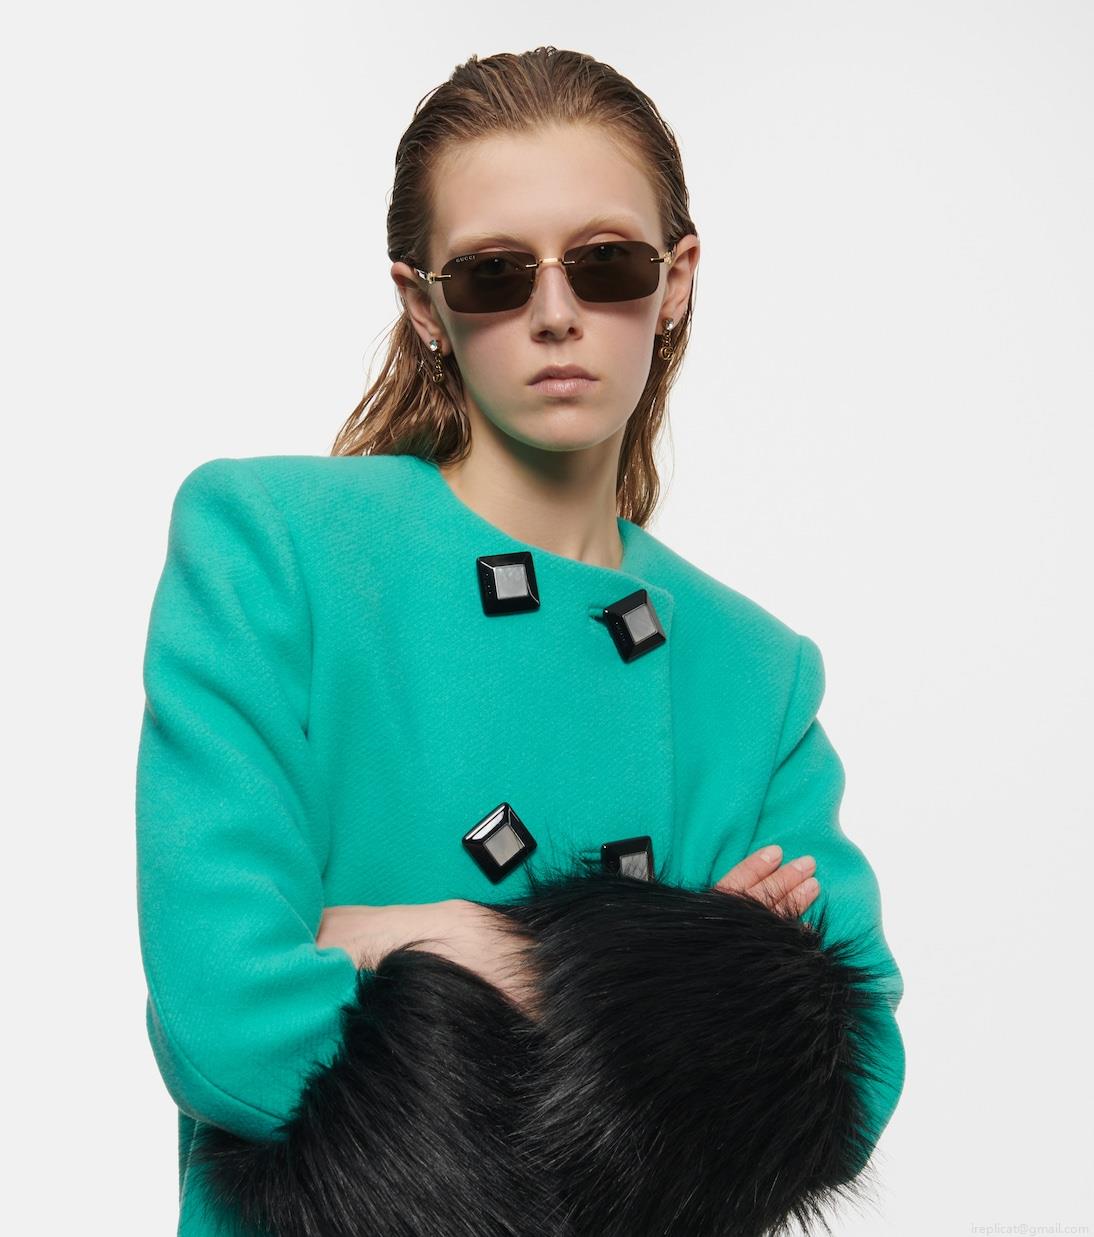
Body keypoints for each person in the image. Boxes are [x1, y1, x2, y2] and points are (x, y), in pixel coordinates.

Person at [135, 46, 906, 1237]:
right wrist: (678, 977)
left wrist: (435, 938)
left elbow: (842, 1086)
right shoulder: (277, 548)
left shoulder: (751, 671)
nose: (555, 313)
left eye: (605, 263)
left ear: (675, 280)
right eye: (495, 274)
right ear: (424, 305)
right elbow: (227, 1023)